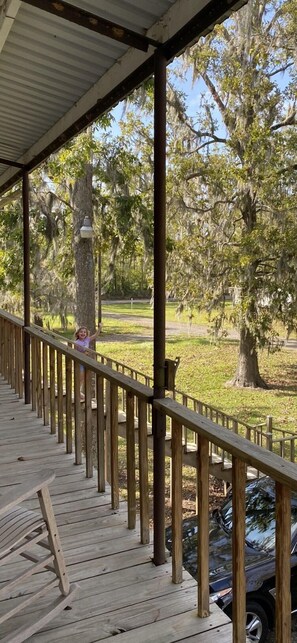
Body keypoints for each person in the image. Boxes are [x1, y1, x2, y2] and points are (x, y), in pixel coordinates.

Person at [74, 324, 102, 398]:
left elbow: (95, 335)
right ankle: (77, 392)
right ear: (77, 333)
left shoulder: (87, 340)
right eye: (81, 332)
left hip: (86, 361)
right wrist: (83, 353)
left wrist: (100, 328)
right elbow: (74, 353)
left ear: (86, 334)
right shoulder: (76, 343)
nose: (83, 333)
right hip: (80, 362)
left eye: (84, 332)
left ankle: (79, 392)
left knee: (84, 378)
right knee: (81, 378)